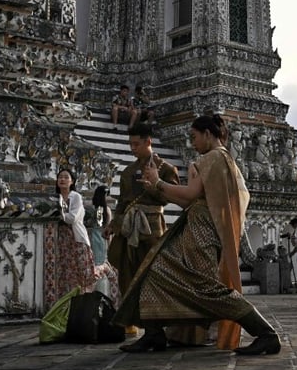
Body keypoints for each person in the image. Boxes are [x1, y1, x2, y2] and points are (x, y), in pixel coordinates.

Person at [115, 114, 280, 355]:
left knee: (207, 289)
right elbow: (191, 200)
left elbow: (191, 194)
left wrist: (159, 182)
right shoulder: (223, 159)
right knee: (155, 271)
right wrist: (158, 186)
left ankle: (266, 333)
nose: (192, 143)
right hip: (199, 229)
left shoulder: (212, 158)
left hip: (201, 234)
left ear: (208, 134)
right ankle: (154, 333)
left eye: (194, 137)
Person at [106, 123, 179, 335]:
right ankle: (130, 320)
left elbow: (172, 197)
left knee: (151, 273)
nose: (132, 148)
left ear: (149, 141)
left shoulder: (166, 169)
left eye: (136, 144)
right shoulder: (128, 172)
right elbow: (122, 202)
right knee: (126, 273)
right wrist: (113, 224)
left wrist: (155, 187)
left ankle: (154, 326)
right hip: (128, 226)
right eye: (130, 144)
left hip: (153, 226)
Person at [57, 169, 118, 302]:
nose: (62, 179)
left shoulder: (89, 205)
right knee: (78, 270)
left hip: (92, 235)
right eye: (60, 177)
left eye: (66, 177)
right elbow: (103, 223)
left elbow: (76, 219)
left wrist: (61, 215)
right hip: (96, 235)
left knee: (88, 270)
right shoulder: (103, 209)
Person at [88, 185, 115, 298]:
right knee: (101, 266)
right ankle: (102, 294)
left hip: (91, 237)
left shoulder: (90, 208)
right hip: (101, 237)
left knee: (93, 265)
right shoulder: (105, 210)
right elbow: (107, 227)